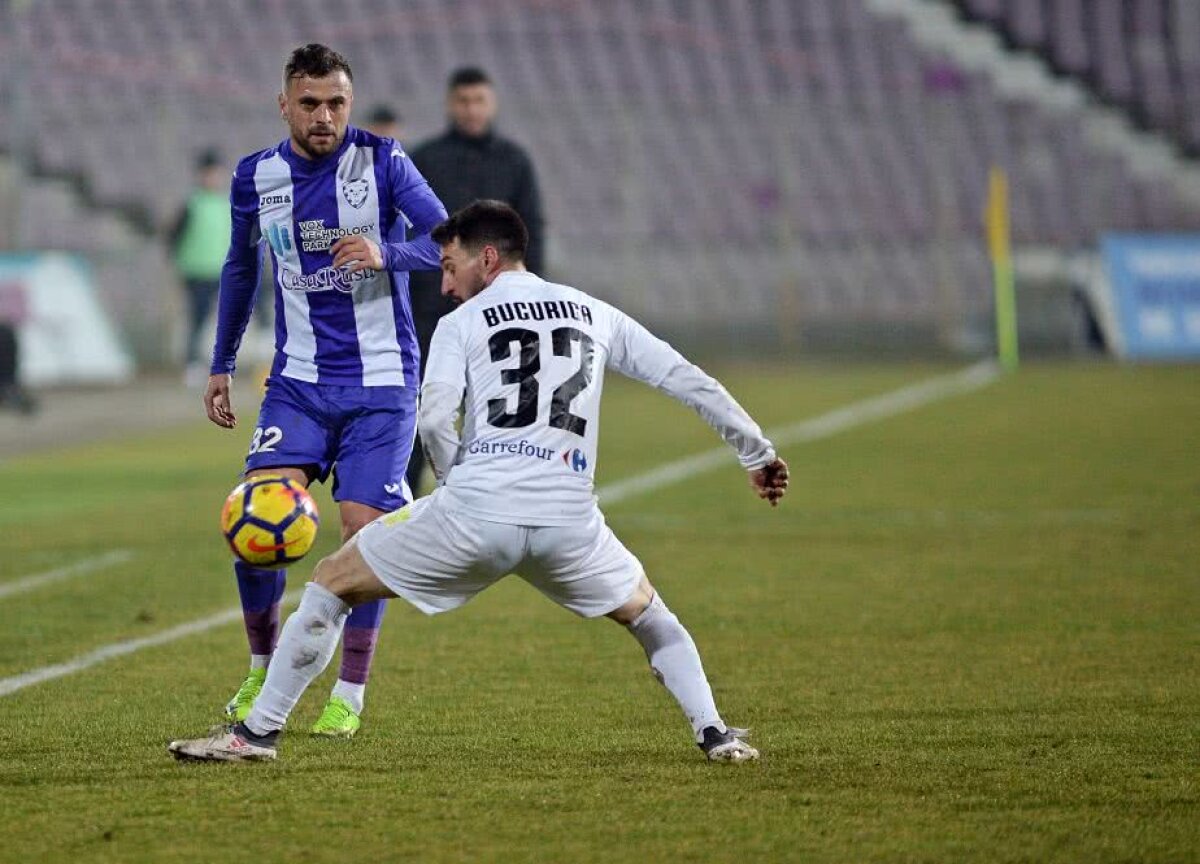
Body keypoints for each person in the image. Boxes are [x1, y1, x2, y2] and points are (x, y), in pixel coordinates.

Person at [169, 201, 790, 765]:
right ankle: (716, 734)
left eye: (448, 265)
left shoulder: (462, 323)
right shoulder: (594, 313)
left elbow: (435, 414)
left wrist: (454, 482)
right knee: (653, 618)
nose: (444, 284)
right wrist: (755, 452)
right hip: (568, 523)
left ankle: (254, 736)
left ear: (486, 258)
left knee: (331, 583)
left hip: (474, 511)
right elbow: (685, 378)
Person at [201, 43, 447, 738]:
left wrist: (386, 253)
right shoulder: (257, 175)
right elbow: (238, 271)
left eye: (336, 102)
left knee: (364, 537)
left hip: (381, 385)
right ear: (285, 104)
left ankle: (350, 691)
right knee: (256, 517)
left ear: (351, 102)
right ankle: (260, 666)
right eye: (309, 103)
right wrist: (220, 363)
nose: (324, 116)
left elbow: (449, 240)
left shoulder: (385, 161)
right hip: (298, 383)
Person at [405, 67, 545, 495]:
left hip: (501, 311)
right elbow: (405, 232)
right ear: (451, 104)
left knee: (495, 409)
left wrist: (534, 298)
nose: (471, 109)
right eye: (463, 101)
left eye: (478, 100)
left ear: (492, 103)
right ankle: (400, 501)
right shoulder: (425, 158)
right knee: (420, 408)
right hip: (433, 308)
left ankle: (491, 496)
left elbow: (532, 230)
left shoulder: (515, 162)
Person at [168, 148, 232, 387]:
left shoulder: (226, 204)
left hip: (222, 270)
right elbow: (173, 237)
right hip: (196, 272)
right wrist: (179, 263)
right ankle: (192, 363)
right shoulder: (191, 204)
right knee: (198, 318)